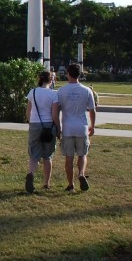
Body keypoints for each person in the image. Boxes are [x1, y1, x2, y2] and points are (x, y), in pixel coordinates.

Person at [55, 63, 96, 192]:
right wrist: (92, 126)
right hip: (82, 127)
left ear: (68, 73)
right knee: (82, 154)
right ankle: (81, 174)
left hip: (67, 127)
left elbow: (57, 110)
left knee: (69, 158)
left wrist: (58, 127)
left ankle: (71, 185)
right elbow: (92, 110)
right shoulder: (87, 90)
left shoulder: (62, 90)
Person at [24, 69, 59, 193]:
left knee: (34, 154)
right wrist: (58, 129)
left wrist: (31, 122)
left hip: (34, 124)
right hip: (49, 125)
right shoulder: (54, 94)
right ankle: (46, 183)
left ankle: (31, 173)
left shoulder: (32, 92)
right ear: (51, 80)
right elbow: (55, 115)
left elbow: (28, 111)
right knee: (47, 155)